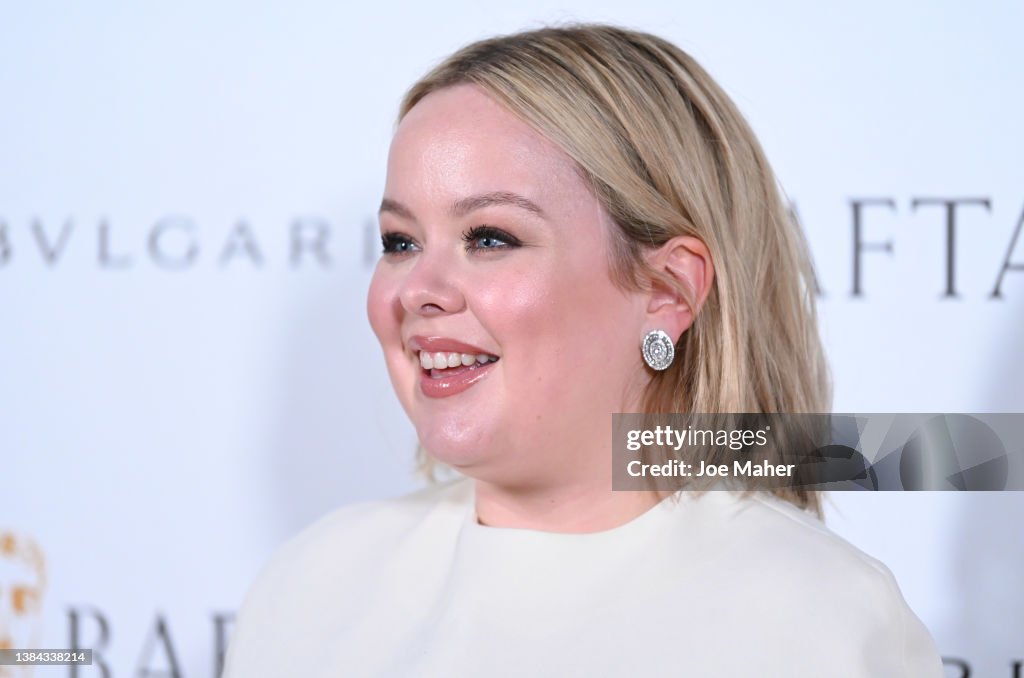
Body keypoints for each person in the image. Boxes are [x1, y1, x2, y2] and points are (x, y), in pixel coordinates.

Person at [223, 24, 944, 677]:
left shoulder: (820, 623)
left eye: (490, 238)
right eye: (400, 243)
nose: (418, 291)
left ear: (668, 290)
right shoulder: (311, 588)